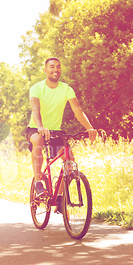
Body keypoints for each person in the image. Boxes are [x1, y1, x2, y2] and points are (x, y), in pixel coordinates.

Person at [26, 57, 97, 198]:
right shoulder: (37, 88)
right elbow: (35, 109)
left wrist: (89, 127)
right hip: (36, 128)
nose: (55, 69)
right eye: (52, 67)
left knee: (70, 162)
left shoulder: (66, 89)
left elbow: (77, 110)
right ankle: (38, 183)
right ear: (45, 70)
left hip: (56, 132)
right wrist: (40, 126)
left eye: (58, 67)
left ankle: (59, 198)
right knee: (38, 140)